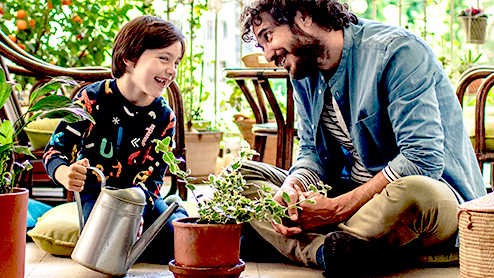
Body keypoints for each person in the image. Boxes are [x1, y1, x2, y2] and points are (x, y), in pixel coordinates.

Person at [238, 0, 487, 275]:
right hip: (357, 201)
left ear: (304, 15)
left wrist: (335, 210)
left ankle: (294, 242)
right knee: (242, 177)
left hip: (426, 202)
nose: (268, 54)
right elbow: (310, 151)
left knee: (417, 191)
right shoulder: (303, 71)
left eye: (268, 37)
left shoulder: (396, 51)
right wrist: (292, 188)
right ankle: (330, 251)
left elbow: (422, 159)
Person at [42, 15, 188, 263]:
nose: (172, 69)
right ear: (129, 58)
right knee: (105, 249)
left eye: (176, 62)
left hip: (142, 197)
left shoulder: (165, 118)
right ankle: (171, 212)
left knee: (175, 249)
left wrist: (138, 212)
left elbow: (153, 176)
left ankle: (175, 210)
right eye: (164, 58)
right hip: (98, 195)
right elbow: (55, 150)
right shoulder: (91, 99)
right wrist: (65, 174)